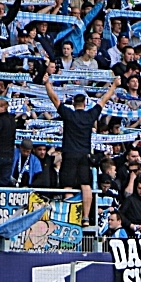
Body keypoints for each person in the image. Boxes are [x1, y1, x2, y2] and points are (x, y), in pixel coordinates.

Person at [44, 75, 120, 221]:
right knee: (86, 185)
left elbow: (54, 99)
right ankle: (85, 217)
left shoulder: (69, 114)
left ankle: (69, 218)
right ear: (85, 104)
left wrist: (47, 84)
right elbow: (103, 100)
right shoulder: (89, 116)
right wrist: (114, 85)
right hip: (85, 154)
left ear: (73, 103)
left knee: (68, 186)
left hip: (69, 154)